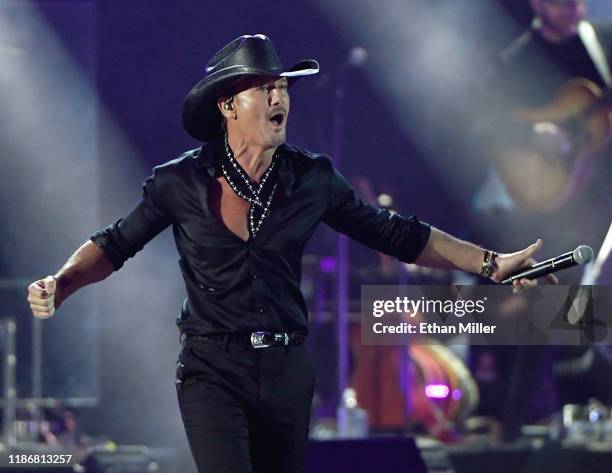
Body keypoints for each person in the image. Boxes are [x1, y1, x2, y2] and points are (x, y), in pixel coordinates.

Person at [27, 34, 552, 473]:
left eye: (282, 86)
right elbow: (115, 242)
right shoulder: (179, 181)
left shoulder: (312, 178)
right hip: (213, 367)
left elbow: (397, 234)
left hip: (285, 369)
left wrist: (490, 263)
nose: (279, 97)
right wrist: (62, 283)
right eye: (264, 88)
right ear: (229, 106)